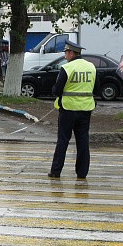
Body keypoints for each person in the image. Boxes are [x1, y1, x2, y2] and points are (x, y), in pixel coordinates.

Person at [47, 41, 98, 179]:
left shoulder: (67, 68)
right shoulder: (91, 67)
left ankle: (56, 171)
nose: (65, 57)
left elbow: (57, 91)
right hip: (86, 109)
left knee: (63, 140)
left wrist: (53, 89)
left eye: (66, 53)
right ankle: (82, 173)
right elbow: (96, 88)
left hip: (68, 109)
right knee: (83, 141)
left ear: (71, 53)